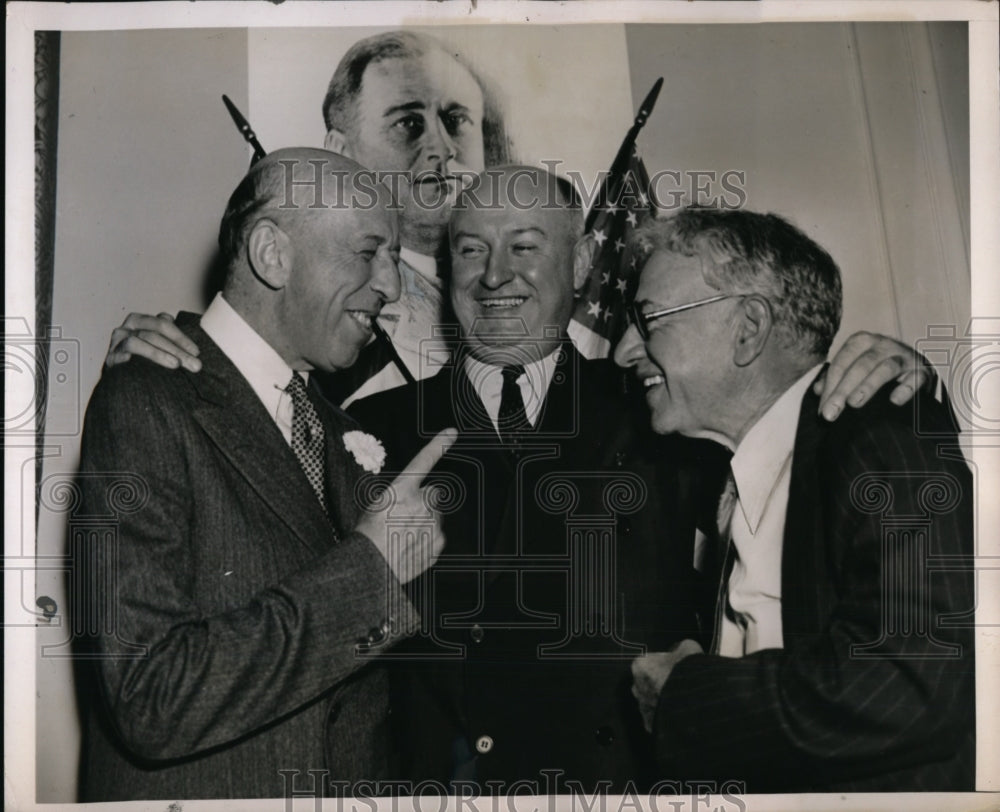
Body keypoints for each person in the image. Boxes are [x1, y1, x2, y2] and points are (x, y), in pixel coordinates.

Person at [348, 168, 939, 791]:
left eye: (523, 246)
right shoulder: (371, 428)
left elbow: (797, 451)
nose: (494, 276)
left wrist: (903, 380)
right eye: (471, 250)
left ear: (581, 262)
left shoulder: (666, 401)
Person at [75, 148, 457, 801]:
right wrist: (371, 572)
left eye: (394, 257)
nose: (393, 286)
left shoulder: (344, 432)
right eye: (369, 253)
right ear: (272, 254)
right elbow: (149, 697)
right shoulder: (146, 396)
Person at [616, 208, 974, 792]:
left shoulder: (880, 433)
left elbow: (910, 683)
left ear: (749, 328)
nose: (625, 350)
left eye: (649, 319)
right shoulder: (727, 476)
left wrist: (685, 695)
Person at [104, 30, 510, 404]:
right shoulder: (321, 306)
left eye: (456, 121)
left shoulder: (522, 284)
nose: (443, 148)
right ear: (340, 151)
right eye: (408, 123)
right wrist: (156, 370)